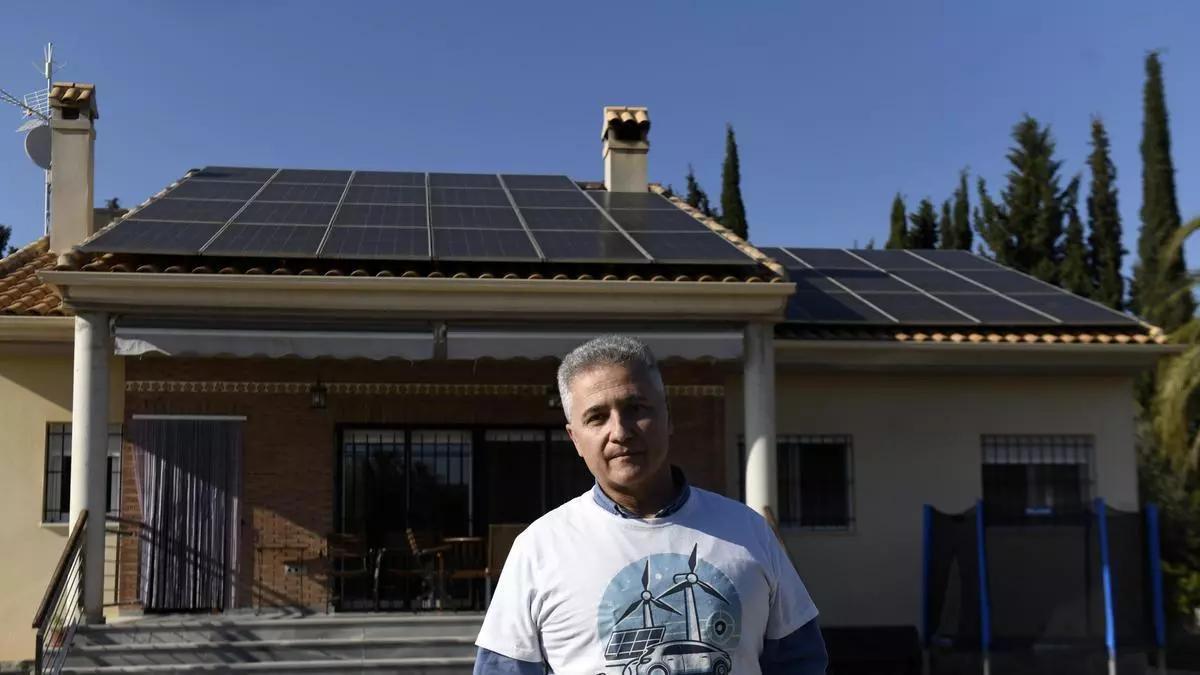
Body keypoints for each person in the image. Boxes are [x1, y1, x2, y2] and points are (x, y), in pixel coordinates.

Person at [474, 335, 827, 674]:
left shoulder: (748, 533)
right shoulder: (538, 550)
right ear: (575, 439)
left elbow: (801, 661)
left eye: (636, 409)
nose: (621, 432)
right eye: (597, 417)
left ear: (668, 418)